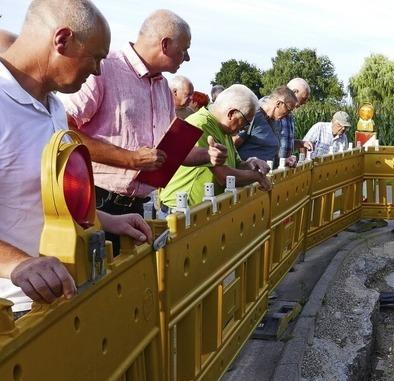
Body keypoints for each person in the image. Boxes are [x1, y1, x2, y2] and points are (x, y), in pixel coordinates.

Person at [0, 0, 152, 317]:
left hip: (61, 300)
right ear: (63, 40)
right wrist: (17, 263)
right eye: (95, 58)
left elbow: (45, 200)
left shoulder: (54, 108)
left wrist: (107, 220)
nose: (97, 70)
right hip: (12, 314)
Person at [60, 9, 227, 253]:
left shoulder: (162, 87)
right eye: (184, 49)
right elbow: (64, 130)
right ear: (166, 44)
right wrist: (130, 159)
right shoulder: (103, 69)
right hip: (96, 203)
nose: (187, 58)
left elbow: (165, 151)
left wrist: (206, 156)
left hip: (138, 208)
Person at [160, 84, 271, 208]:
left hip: (199, 209)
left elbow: (236, 164)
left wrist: (251, 163)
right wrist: (256, 177)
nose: (245, 128)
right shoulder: (200, 124)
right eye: (246, 122)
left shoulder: (224, 129)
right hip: (180, 210)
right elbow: (223, 177)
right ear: (232, 114)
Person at [234, 85, 297, 164]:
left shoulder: (277, 121)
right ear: (278, 104)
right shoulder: (253, 116)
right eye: (289, 109)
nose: (289, 114)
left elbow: (270, 153)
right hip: (247, 174)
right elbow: (233, 145)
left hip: (267, 174)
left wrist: (283, 161)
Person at [278, 78, 313, 163]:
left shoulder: (289, 115)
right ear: (294, 92)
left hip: (282, 170)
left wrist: (301, 143)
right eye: (304, 98)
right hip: (267, 169)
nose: (304, 103)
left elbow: (284, 143)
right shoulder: (269, 109)